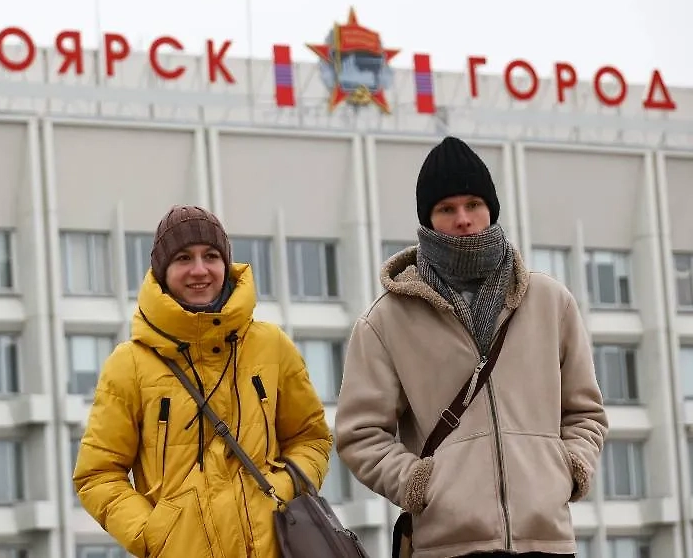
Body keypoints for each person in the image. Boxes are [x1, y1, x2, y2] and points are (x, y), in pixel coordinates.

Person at [335, 136, 609, 558]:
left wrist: (569, 468)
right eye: (446, 209)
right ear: (427, 219)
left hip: (546, 539)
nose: (463, 219)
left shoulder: (549, 301)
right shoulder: (386, 320)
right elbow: (360, 434)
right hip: (446, 545)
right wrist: (419, 485)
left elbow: (585, 411)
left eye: (473, 204)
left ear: (490, 209)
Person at [73, 204, 333, 558]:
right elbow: (98, 474)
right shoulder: (129, 364)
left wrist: (285, 486)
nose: (199, 270)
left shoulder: (271, 345)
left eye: (210, 256)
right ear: (163, 271)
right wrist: (156, 535)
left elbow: (311, 437)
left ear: (225, 264)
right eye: (183, 258)